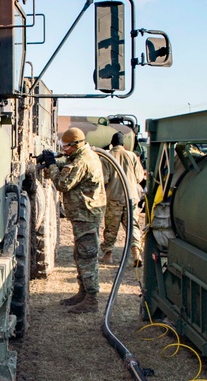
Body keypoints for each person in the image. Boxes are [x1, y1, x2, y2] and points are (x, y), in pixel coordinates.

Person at [43, 127, 106, 313]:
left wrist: (52, 165)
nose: (64, 149)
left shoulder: (82, 160)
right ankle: (83, 292)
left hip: (86, 215)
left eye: (66, 146)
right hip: (83, 214)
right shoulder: (82, 155)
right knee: (80, 254)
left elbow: (63, 184)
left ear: (75, 145)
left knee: (87, 256)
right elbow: (68, 165)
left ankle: (92, 299)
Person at [100, 132, 146, 267]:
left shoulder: (107, 156)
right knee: (133, 226)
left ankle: (108, 255)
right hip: (131, 198)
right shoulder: (132, 156)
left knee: (111, 228)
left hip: (114, 197)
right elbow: (139, 177)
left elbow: (105, 178)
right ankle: (136, 253)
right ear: (123, 144)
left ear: (111, 143)